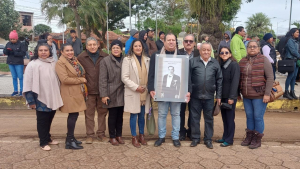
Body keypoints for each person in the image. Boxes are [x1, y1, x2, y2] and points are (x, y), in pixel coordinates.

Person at [148, 33, 190, 147]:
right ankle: (161, 137)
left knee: (176, 114)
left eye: (173, 40)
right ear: (164, 42)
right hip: (162, 91)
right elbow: (151, 74)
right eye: (169, 40)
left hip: (177, 92)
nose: (171, 42)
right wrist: (151, 88)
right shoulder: (156, 55)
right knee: (162, 114)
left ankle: (175, 137)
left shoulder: (182, 55)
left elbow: (187, 75)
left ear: (176, 42)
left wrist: (188, 90)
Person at [23, 43, 63, 151]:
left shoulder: (53, 63)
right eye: (41, 50)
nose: (44, 52)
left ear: (50, 51)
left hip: (52, 96)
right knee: (42, 121)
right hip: (40, 97)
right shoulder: (33, 64)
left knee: (49, 119)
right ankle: (43, 142)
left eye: (46, 50)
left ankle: (48, 138)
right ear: (37, 52)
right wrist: (31, 101)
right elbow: (28, 83)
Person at [239, 40, 274, 149]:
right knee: (249, 117)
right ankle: (249, 137)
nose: (252, 48)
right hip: (246, 95)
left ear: (258, 48)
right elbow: (239, 78)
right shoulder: (243, 61)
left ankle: (257, 138)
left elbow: (270, 78)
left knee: (257, 117)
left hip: (259, 96)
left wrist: (267, 94)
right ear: (247, 48)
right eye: (250, 47)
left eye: (254, 47)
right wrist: (237, 93)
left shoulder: (264, 60)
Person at [189, 42, 222, 149]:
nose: (206, 52)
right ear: (200, 51)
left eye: (208, 50)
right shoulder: (193, 62)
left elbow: (219, 80)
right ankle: (195, 138)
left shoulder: (215, 63)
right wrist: (189, 91)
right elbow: (188, 79)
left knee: (209, 119)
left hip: (209, 96)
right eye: (204, 50)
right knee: (194, 118)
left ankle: (208, 139)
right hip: (195, 96)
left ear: (211, 51)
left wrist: (219, 96)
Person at [77, 37, 109, 144]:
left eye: (94, 44)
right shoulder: (81, 58)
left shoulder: (105, 56)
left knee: (102, 113)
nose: (92, 47)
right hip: (88, 91)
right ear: (86, 46)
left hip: (102, 91)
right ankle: (90, 135)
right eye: (90, 45)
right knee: (89, 114)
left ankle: (101, 133)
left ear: (98, 45)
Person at [56, 44, 87, 149]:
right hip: (69, 93)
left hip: (76, 92)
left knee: (75, 115)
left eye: (71, 50)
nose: (70, 52)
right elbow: (64, 79)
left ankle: (71, 138)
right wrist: (81, 80)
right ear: (62, 52)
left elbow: (81, 72)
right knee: (72, 116)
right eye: (67, 50)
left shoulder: (74, 60)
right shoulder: (60, 63)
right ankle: (69, 140)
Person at [122, 39, 150, 148]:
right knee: (134, 115)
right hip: (134, 91)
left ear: (142, 47)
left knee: (142, 116)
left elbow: (150, 76)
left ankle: (141, 135)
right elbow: (124, 77)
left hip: (144, 91)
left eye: (140, 46)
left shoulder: (147, 59)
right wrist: (136, 87)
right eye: (135, 46)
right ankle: (134, 137)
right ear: (132, 48)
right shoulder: (127, 60)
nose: (138, 48)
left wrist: (146, 87)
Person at [99, 40, 125, 146]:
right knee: (112, 116)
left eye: (118, 48)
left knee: (120, 116)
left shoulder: (125, 60)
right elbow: (102, 79)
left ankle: (119, 135)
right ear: (111, 49)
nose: (116, 49)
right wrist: (104, 95)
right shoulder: (105, 61)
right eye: (114, 48)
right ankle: (112, 136)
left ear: (121, 49)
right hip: (111, 92)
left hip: (123, 92)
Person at [215, 47, 240, 147]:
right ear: (220, 55)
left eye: (226, 52)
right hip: (223, 96)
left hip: (230, 97)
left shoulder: (234, 65)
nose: (224, 54)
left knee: (230, 118)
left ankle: (229, 139)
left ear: (230, 54)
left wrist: (231, 97)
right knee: (224, 118)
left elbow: (235, 82)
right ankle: (225, 136)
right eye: (222, 53)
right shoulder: (221, 65)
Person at [178, 34, 200, 140]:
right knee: (180, 111)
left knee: (193, 111)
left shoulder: (198, 54)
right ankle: (181, 131)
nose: (188, 43)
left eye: (191, 41)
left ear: (194, 43)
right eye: (186, 41)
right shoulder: (178, 53)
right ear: (183, 42)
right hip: (181, 87)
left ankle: (191, 131)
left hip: (195, 87)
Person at [3, 30, 26, 96]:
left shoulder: (21, 44)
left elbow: (23, 53)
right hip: (11, 62)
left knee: (20, 77)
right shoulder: (8, 44)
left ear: (17, 38)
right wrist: (7, 51)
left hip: (18, 62)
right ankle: (15, 90)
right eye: (11, 39)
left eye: (14, 39)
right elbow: (5, 51)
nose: (12, 40)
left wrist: (14, 53)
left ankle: (22, 90)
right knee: (14, 77)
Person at [283, 28, 300, 100]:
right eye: (297, 32)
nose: (298, 34)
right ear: (292, 33)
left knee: (294, 76)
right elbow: (293, 51)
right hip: (290, 60)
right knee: (290, 76)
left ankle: (292, 92)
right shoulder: (290, 40)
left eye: (298, 32)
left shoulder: (296, 41)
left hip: (295, 60)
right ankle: (286, 92)